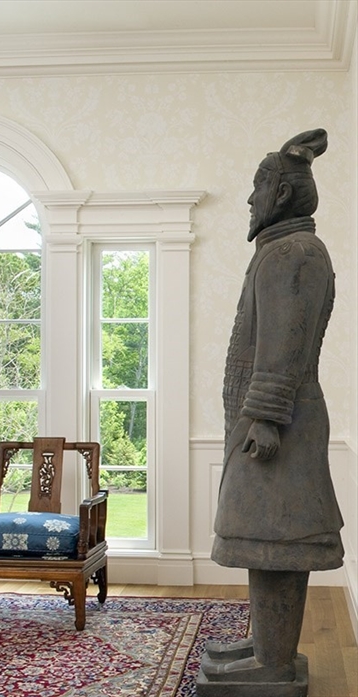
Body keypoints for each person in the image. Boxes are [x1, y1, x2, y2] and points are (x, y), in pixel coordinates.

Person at [201, 129, 344, 690]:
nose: (250, 200)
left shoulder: (295, 254)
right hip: (269, 422)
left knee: (281, 541)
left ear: (281, 195)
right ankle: (267, 645)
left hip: (279, 425)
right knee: (263, 537)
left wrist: (263, 417)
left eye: (257, 188)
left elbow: (285, 345)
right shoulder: (281, 250)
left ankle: (276, 662)